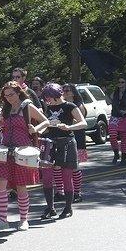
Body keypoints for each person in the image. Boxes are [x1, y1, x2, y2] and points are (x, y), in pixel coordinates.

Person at [0, 82, 49, 231]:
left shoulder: (27, 107)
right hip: (5, 150)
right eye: (6, 96)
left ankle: (24, 220)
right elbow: (1, 123)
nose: (8, 98)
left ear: (18, 93)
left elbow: (46, 121)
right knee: (0, 183)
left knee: (20, 185)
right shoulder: (6, 108)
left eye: (11, 94)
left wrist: (35, 128)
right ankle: (2, 219)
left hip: (22, 150)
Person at [40, 83, 87, 220]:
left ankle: (68, 208)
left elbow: (83, 123)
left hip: (66, 141)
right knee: (47, 176)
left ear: (55, 95)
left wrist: (68, 127)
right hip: (49, 142)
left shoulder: (69, 106)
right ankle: (50, 207)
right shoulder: (47, 107)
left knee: (67, 175)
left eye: (48, 97)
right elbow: (44, 125)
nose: (47, 100)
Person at [62, 84, 87, 203]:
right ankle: (68, 192)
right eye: (63, 91)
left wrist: (69, 126)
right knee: (67, 169)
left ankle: (77, 192)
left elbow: (81, 122)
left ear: (73, 93)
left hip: (78, 138)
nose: (65, 93)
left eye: (67, 91)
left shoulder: (78, 106)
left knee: (75, 168)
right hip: (67, 139)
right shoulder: (63, 106)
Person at [108, 76, 126, 165]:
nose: (120, 84)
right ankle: (116, 154)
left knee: (124, 139)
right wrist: (105, 93)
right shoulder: (115, 93)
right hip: (115, 117)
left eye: (122, 82)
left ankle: (123, 158)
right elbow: (108, 102)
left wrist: (125, 111)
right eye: (119, 82)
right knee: (112, 135)